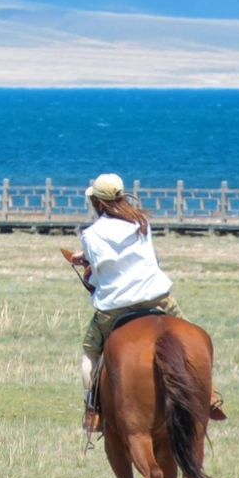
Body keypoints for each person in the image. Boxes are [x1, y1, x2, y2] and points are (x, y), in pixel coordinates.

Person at [71, 170, 186, 435]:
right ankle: (210, 393)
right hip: (158, 296)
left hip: (116, 306)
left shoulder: (91, 234)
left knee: (90, 350)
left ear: (98, 203)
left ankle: (93, 411)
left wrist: (84, 259)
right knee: (192, 338)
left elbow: (99, 272)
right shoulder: (141, 222)